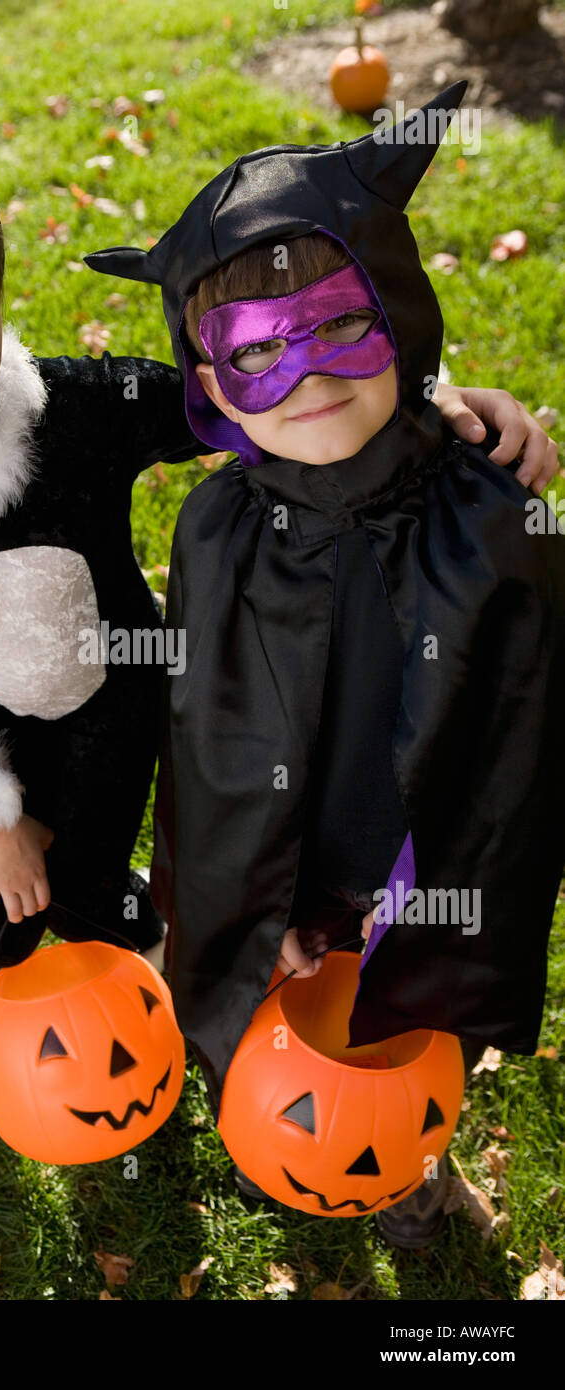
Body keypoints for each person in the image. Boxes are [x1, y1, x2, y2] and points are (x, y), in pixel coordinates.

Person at [0, 46, 552, 1122]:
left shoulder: (75, 412)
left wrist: (431, 397)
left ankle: (130, 983)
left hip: (122, 723)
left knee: (97, 887)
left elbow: (251, 383)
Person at [83, 81, 565, 1249]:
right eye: (252, 352)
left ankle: (400, 1161)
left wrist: (482, 431)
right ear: (206, 383)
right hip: (286, 839)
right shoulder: (215, 531)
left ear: (399, 310)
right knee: (290, 997)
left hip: (414, 845)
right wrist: (245, 899)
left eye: (341, 321)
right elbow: (205, 736)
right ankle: (277, 1120)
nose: (303, 373)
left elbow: (523, 724)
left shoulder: (492, 510)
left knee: (401, 1009)